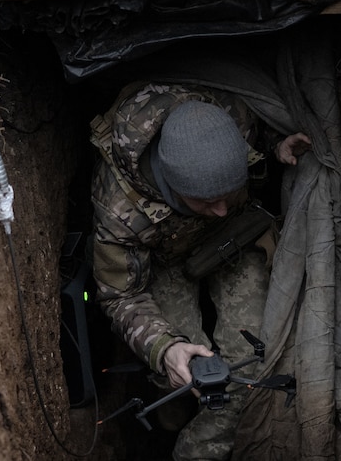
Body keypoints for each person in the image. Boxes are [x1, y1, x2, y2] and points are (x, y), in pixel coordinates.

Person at [90, 80, 310, 460]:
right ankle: (169, 407)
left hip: (234, 243)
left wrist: (277, 145)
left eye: (228, 194)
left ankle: (196, 451)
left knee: (252, 357)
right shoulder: (118, 211)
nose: (222, 207)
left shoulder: (233, 118)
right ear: (170, 186)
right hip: (161, 261)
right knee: (180, 367)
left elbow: (260, 132)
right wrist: (165, 349)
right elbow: (120, 294)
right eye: (209, 200)